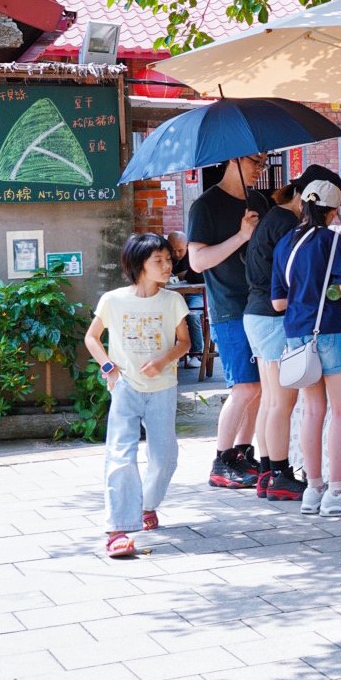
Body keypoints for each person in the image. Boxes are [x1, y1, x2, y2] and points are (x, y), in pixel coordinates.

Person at [271, 179, 341, 517]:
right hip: (329, 332)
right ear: (333, 211)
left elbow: (277, 302)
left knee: (312, 411)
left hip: (296, 335)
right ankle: (338, 492)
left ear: (303, 205)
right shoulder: (333, 242)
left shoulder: (284, 243)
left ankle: (312, 489)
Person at [83, 233, 190, 558]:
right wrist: (109, 369)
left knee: (164, 457)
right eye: (158, 260)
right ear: (138, 264)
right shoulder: (113, 300)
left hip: (163, 390)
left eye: (168, 259)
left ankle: (147, 504)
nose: (166, 265)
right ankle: (118, 529)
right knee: (120, 455)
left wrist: (162, 360)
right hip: (126, 387)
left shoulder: (173, 301)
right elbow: (92, 338)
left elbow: (184, 343)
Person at [243, 165, 341, 501]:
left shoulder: (276, 218)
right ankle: (280, 474)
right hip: (273, 317)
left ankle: (268, 473)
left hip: (257, 313)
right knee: (280, 402)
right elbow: (291, 285)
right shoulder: (291, 225)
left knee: (272, 400)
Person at [187, 153, 271, 490]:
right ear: (233, 160)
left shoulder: (259, 200)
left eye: (264, 162)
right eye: (255, 161)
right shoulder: (204, 206)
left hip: (261, 306)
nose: (260, 167)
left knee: (261, 387)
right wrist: (241, 236)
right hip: (229, 308)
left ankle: (241, 454)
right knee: (245, 387)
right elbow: (197, 261)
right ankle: (220, 461)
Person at [166, 231, 205, 370]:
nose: (176, 254)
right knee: (166, 316)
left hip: (194, 295)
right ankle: (172, 355)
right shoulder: (165, 255)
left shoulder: (194, 254)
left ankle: (196, 354)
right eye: (173, 250)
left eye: (180, 250)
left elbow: (201, 275)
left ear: (187, 246)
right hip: (172, 296)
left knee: (192, 314)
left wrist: (184, 275)